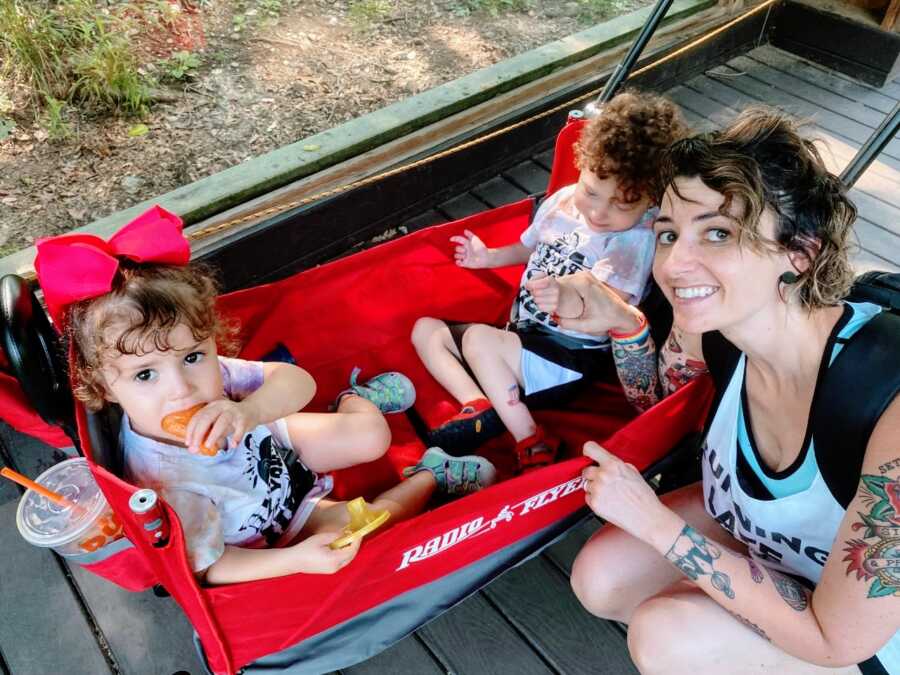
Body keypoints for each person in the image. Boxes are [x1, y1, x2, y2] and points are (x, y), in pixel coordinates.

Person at [540, 108, 900, 673]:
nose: (677, 263)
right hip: (775, 551)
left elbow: (837, 641)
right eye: (668, 233)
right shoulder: (715, 331)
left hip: (866, 637)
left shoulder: (889, 401)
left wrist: (659, 526)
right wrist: (624, 324)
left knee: (668, 634)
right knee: (601, 578)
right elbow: (657, 406)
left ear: (798, 253)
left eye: (718, 232)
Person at [34, 207, 497, 585]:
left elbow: (298, 384)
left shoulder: (217, 378)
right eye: (145, 375)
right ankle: (431, 475)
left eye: (193, 357)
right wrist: (291, 561)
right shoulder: (164, 482)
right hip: (275, 525)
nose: (180, 388)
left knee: (373, 436)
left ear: (210, 340)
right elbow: (210, 565)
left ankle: (357, 397)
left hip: (281, 444)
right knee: (357, 538)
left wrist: (249, 410)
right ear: (103, 385)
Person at [411, 91, 687, 472]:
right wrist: (488, 257)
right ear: (583, 166)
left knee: (477, 340)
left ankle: (529, 438)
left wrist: (567, 294)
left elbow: (611, 305)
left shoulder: (634, 238)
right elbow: (530, 248)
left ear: (649, 203)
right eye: (591, 191)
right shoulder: (562, 202)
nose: (599, 211)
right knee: (426, 330)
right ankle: (480, 406)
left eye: (622, 204)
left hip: (567, 358)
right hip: (518, 341)